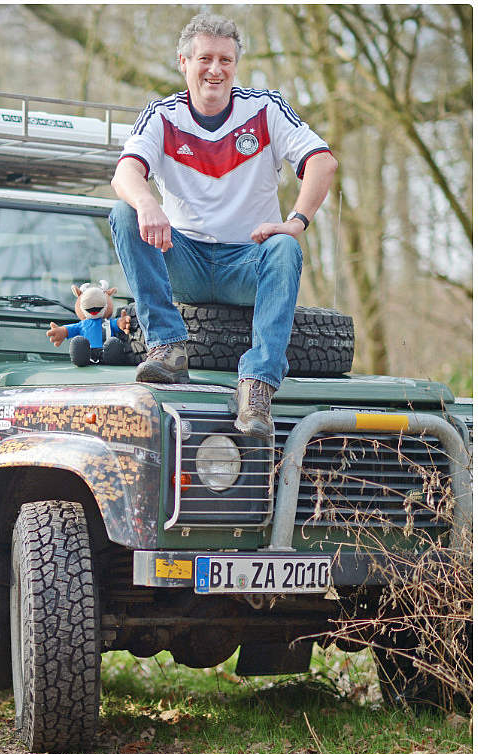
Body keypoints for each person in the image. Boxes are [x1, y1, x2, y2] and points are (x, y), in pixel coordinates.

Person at [110, 13, 337, 438]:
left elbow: (322, 162)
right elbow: (124, 173)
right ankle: (167, 346)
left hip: (246, 262)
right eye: (205, 59)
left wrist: (296, 221)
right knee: (124, 212)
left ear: (236, 64)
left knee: (285, 248)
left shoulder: (265, 109)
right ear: (183, 61)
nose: (216, 70)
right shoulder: (162, 116)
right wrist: (146, 202)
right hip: (185, 261)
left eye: (226, 60)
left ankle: (257, 386)